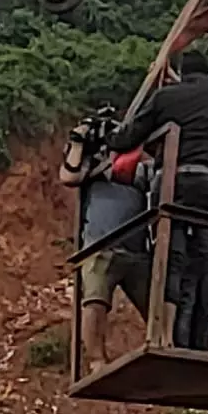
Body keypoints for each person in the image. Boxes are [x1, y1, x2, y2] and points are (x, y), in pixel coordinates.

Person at [107, 50, 208, 352]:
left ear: (182, 71)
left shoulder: (166, 98)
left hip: (173, 182)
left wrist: (109, 138)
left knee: (172, 259)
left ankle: (164, 337)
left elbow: (129, 137)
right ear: (207, 72)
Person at [58, 115, 153, 374]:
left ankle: (159, 347)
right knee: (95, 301)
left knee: (154, 304)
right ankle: (97, 360)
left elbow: (156, 175)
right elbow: (69, 176)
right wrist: (79, 140)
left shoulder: (138, 161)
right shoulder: (91, 163)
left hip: (136, 247)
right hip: (101, 243)